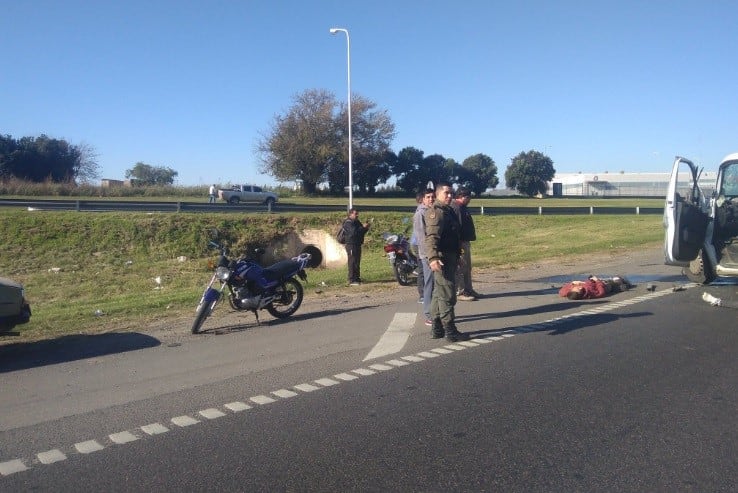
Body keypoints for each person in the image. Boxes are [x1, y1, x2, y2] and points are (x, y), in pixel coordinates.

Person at [424, 182, 469, 342]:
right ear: (437, 194)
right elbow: (431, 238)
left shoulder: (447, 211)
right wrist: (434, 258)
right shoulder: (436, 213)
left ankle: (437, 329)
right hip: (441, 259)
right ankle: (450, 331)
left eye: (451, 193)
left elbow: (453, 236)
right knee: (448, 294)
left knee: (438, 294)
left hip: (450, 257)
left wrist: (458, 256)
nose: (450, 196)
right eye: (446, 193)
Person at [450, 187, 478, 301]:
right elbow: (458, 227)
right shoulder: (456, 208)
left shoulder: (463, 207)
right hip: (460, 243)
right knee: (461, 267)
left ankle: (469, 289)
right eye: (468, 197)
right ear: (462, 197)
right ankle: (461, 291)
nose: (469, 199)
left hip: (465, 241)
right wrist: (459, 243)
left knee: (467, 267)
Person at [412, 188, 435, 326]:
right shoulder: (420, 214)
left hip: (435, 253)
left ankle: (436, 312)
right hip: (427, 255)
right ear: (423, 199)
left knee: (436, 285)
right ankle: (428, 314)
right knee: (429, 284)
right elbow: (421, 238)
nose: (431, 199)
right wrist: (428, 256)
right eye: (428, 197)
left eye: (432, 197)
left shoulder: (432, 211)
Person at [342, 208, 370, 286]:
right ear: (350, 214)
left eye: (357, 213)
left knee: (357, 262)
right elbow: (353, 233)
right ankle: (351, 279)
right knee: (352, 261)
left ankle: (357, 278)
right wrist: (363, 227)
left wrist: (366, 228)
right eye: (355, 214)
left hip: (357, 244)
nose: (357, 215)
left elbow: (360, 232)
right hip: (351, 244)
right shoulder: (348, 223)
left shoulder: (357, 222)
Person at [558, 276, 632, 300]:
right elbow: (601, 292)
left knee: (609, 280)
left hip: (593, 281)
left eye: (577, 288)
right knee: (617, 282)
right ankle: (621, 283)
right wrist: (597, 281)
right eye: (579, 290)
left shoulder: (567, 291)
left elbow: (561, 291)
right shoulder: (590, 292)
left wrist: (572, 283)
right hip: (605, 286)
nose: (579, 288)